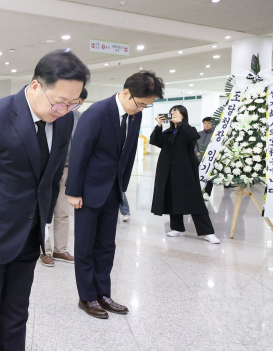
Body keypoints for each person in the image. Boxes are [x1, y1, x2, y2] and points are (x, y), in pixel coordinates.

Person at [0, 49, 90, 350]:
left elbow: (51, 177)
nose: (64, 109)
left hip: (30, 235)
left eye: (73, 102)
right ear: (35, 86)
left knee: (17, 313)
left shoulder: (65, 120)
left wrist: (47, 221)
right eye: (59, 101)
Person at [66, 70, 164, 319]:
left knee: (106, 246)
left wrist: (122, 186)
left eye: (147, 106)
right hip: (87, 192)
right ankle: (87, 296)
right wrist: (74, 191)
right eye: (140, 103)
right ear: (126, 93)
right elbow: (79, 152)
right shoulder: (97, 112)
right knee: (85, 246)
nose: (141, 109)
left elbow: (128, 153)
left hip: (112, 191)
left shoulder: (135, 115)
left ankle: (103, 293)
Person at [150, 106, 220, 244]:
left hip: (185, 171)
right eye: (172, 112)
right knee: (172, 198)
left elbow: (192, 138)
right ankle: (177, 228)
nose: (173, 114)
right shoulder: (168, 132)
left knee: (195, 200)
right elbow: (155, 141)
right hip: (168, 170)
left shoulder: (189, 129)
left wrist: (181, 123)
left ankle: (207, 232)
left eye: (177, 112)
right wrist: (158, 125)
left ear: (183, 115)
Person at [40, 87, 87, 267]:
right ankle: (45, 250)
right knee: (45, 212)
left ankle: (61, 249)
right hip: (48, 169)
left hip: (69, 169)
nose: (72, 106)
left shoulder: (79, 118)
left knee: (63, 213)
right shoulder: (51, 113)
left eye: (76, 103)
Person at [195, 117, 214, 200]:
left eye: (209, 123)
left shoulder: (215, 135)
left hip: (210, 159)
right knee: (196, 175)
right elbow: (194, 145)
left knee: (210, 177)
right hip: (198, 158)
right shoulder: (198, 134)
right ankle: (197, 191)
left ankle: (207, 192)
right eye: (205, 123)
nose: (206, 125)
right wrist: (196, 152)